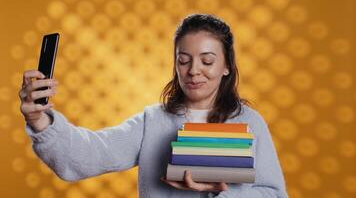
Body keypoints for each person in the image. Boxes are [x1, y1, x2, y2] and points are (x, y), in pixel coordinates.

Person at [19, 14, 288, 198]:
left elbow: (274, 194)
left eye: (207, 61)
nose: (194, 71)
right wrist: (40, 121)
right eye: (183, 60)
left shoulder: (250, 123)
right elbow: (85, 156)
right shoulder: (152, 121)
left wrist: (222, 191)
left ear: (227, 65)